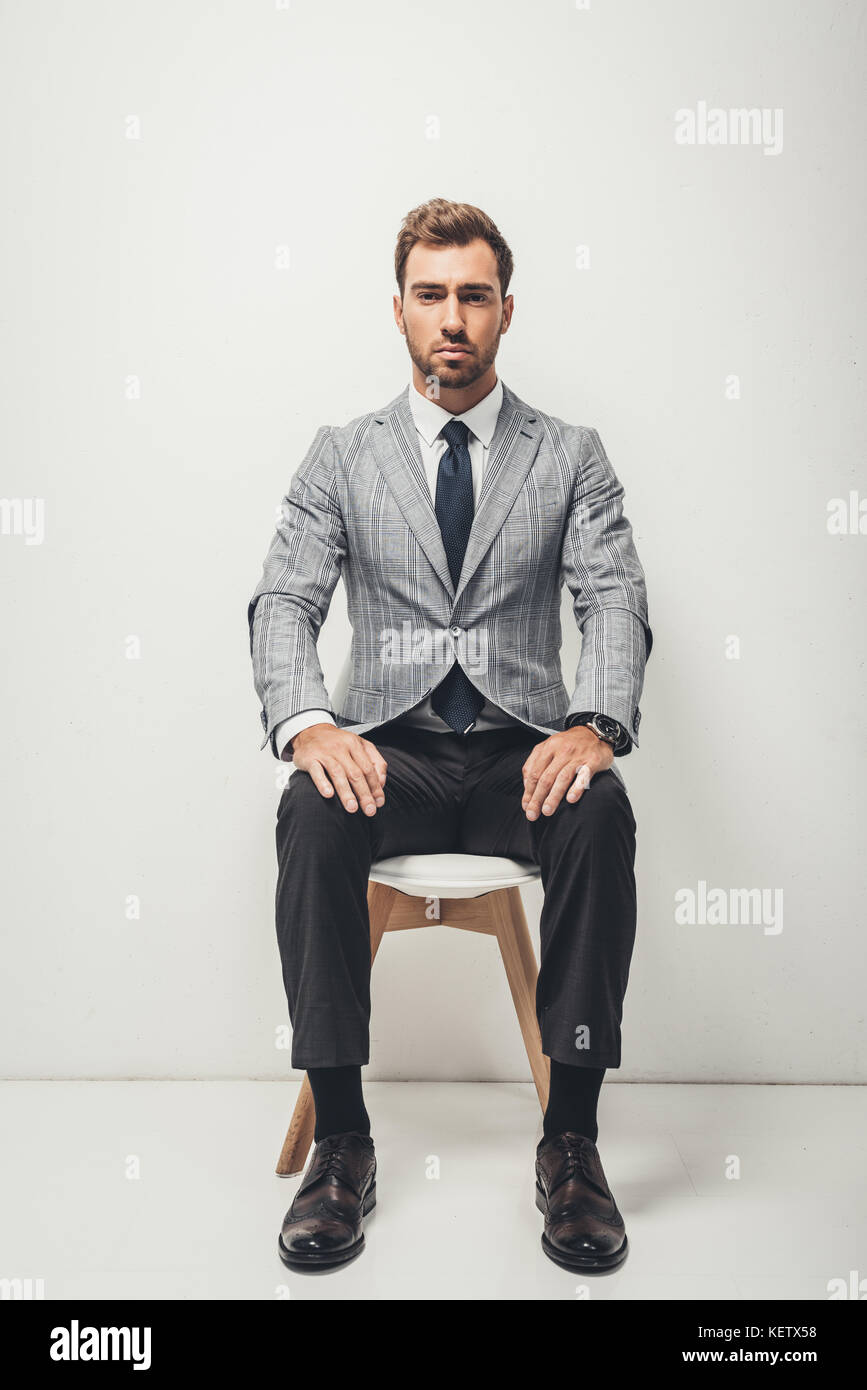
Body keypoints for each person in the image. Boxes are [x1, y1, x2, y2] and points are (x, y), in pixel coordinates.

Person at [247, 197, 653, 1274]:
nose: (453, 318)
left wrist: (596, 723)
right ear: (399, 311)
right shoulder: (343, 454)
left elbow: (612, 597)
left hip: (522, 750)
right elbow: (283, 601)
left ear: (506, 310)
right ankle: (342, 1140)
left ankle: (571, 1141)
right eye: (432, 295)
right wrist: (309, 724)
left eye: (474, 294)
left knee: (601, 807)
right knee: (308, 809)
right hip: (397, 753)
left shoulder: (570, 454)